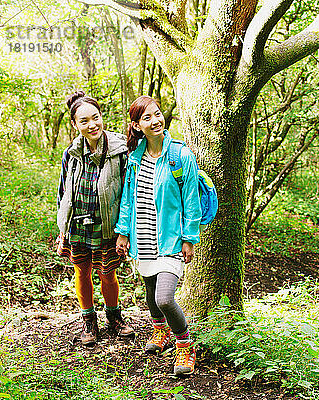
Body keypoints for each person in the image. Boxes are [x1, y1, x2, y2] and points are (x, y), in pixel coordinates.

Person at [115, 96, 201, 376]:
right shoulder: (135, 158)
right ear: (137, 126)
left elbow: (191, 199)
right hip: (143, 239)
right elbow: (128, 198)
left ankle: (185, 344)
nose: (155, 121)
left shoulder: (181, 156)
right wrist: (123, 233)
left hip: (171, 240)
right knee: (151, 293)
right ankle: (159, 332)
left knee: (165, 297)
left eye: (157, 114)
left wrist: (189, 237)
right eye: (147, 118)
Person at [56, 90, 134, 346]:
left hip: (107, 226)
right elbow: (63, 193)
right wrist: (62, 230)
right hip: (78, 224)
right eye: (84, 121)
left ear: (102, 117)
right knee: (81, 272)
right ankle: (89, 322)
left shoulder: (120, 149)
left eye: (96, 117)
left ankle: (114, 318)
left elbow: (129, 193)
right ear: (74, 124)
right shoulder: (71, 153)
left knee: (108, 274)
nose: (92, 125)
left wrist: (124, 230)